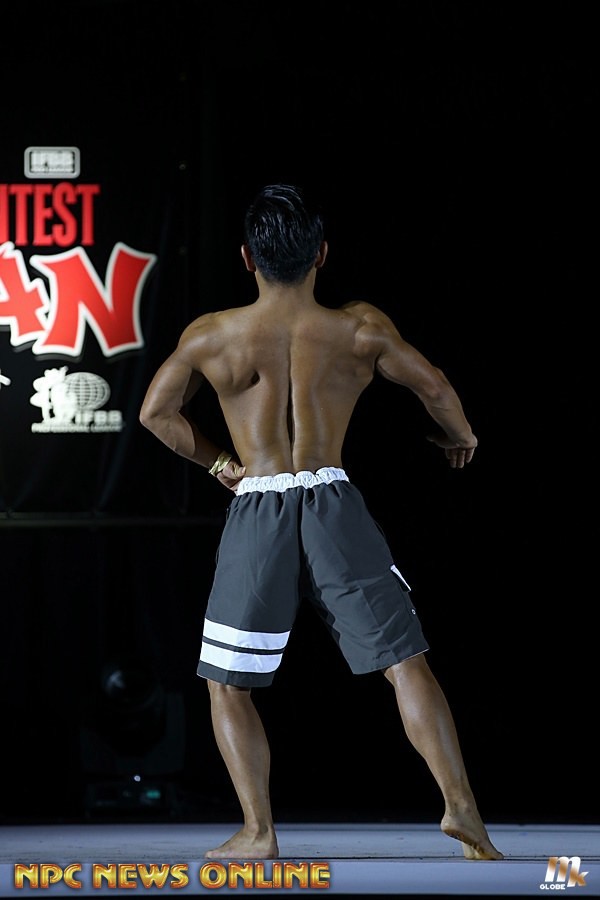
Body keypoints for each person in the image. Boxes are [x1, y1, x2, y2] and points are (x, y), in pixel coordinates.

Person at [139, 183, 504, 862]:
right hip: (333, 501)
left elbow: (156, 414)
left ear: (247, 257)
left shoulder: (212, 335)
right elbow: (433, 385)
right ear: (321, 254)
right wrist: (461, 436)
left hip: (259, 506)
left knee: (227, 681)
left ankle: (259, 831)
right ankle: (463, 812)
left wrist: (220, 462)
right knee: (404, 662)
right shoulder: (359, 327)